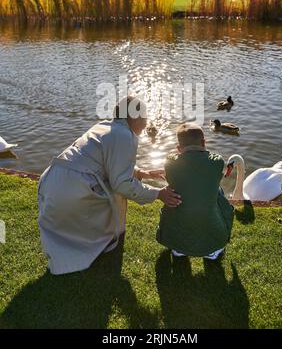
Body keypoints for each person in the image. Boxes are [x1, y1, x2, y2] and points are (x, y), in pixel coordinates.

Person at [38, 96, 181, 275]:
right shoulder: (125, 135)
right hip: (73, 189)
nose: (146, 123)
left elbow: (106, 164)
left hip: (53, 182)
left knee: (112, 189)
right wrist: (158, 194)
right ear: (133, 117)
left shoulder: (105, 127)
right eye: (144, 117)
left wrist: (140, 172)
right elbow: (121, 184)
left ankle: (80, 244)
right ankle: (103, 238)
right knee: (117, 191)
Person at [156, 122, 234, 260]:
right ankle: (212, 250)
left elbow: (171, 157)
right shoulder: (217, 162)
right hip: (211, 230)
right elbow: (213, 157)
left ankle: (179, 248)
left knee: (177, 193)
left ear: (178, 148)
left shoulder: (170, 163)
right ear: (204, 142)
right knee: (218, 191)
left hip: (178, 229)